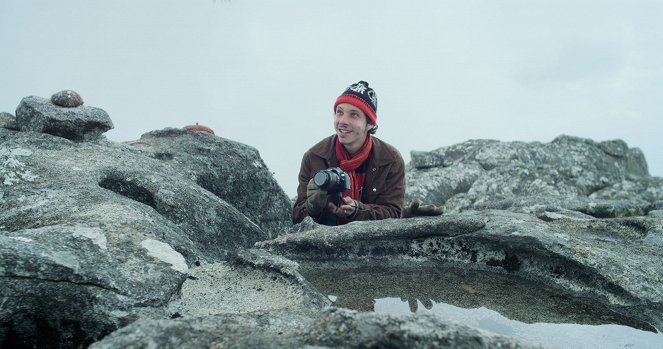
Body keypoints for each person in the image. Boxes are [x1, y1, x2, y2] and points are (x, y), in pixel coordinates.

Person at [292, 81, 405, 225]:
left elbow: (394, 213)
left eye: (354, 115)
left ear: (370, 124)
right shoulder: (314, 157)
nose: (343, 121)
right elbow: (296, 218)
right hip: (325, 241)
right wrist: (313, 207)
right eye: (339, 112)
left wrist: (359, 211)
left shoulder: (390, 160)